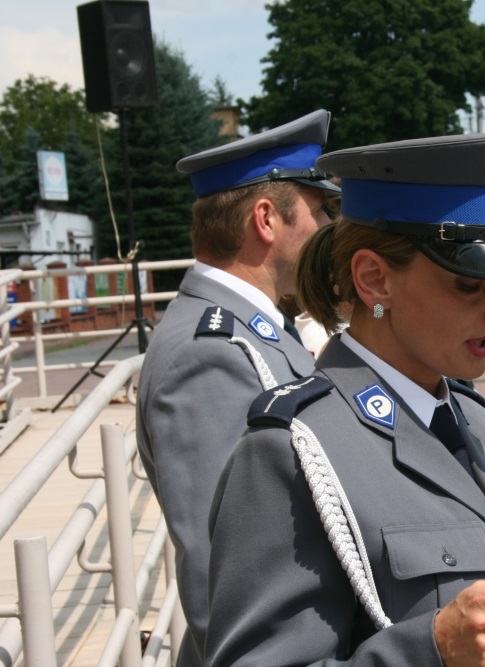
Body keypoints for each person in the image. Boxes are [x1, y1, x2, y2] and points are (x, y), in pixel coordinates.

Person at [206, 131, 485, 666]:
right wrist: (431, 651)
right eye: (470, 284)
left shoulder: (477, 423)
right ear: (374, 279)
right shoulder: (291, 452)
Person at [135, 109, 339, 667]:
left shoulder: (253, 328)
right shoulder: (208, 355)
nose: (328, 228)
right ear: (266, 219)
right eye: (320, 211)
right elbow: (222, 570)